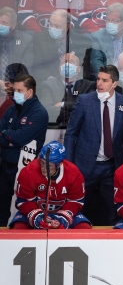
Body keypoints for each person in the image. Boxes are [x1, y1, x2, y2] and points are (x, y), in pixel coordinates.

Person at [64, 65, 123, 226]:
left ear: (114, 84)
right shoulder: (84, 101)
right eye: (98, 79)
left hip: (112, 167)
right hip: (85, 165)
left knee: (112, 211)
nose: (99, 83)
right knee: (79, 208)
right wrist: (68, 164)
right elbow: (71, 133)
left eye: (104, 80)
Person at [0, 74, 48, 227]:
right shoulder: (11, 109)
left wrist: (7, 136)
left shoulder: (39, 112)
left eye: (19, 90)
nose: (16, 94)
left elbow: (21, 137)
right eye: (14, 90)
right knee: (1, 209)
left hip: (25, 170)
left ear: (30, 92)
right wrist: (10, 139)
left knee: (21, 210)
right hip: (5, 167)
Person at [9, 141, 92, 229]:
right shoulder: (28, 172)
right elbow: (23, 201)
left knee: (85, 228)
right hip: (35, 210)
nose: (43, 168)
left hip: (63, 211)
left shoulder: (74, 174)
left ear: (59, 164)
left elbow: (75, 201)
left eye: (49, 165)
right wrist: (35, 215)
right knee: (19, 229)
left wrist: (64, 216)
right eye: (42, 162)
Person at [32, 9, 92, 84]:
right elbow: (36, 67)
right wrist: (52, 81)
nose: (52, 28)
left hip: (74, 84)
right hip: (48, 84)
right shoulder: (40, 39)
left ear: (68, 26)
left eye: (57, 26)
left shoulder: (82, 41)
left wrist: (75, 81)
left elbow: (85, 68)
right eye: (50, 24)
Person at [38, 53, 96, 125]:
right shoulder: (48, 85)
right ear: (59, 69)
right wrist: (77, 110)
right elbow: (46, 110)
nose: (67, 65)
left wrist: (63, 104)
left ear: (78, 69)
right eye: (64, 62)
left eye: (71, 62)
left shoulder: (88, 86)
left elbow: (89, 108)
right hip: (55, 129)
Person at [0, 7, 34, 74]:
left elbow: (25, 69)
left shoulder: (26, 41)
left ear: (13, 25)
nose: (0, 25)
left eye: (4, 23)